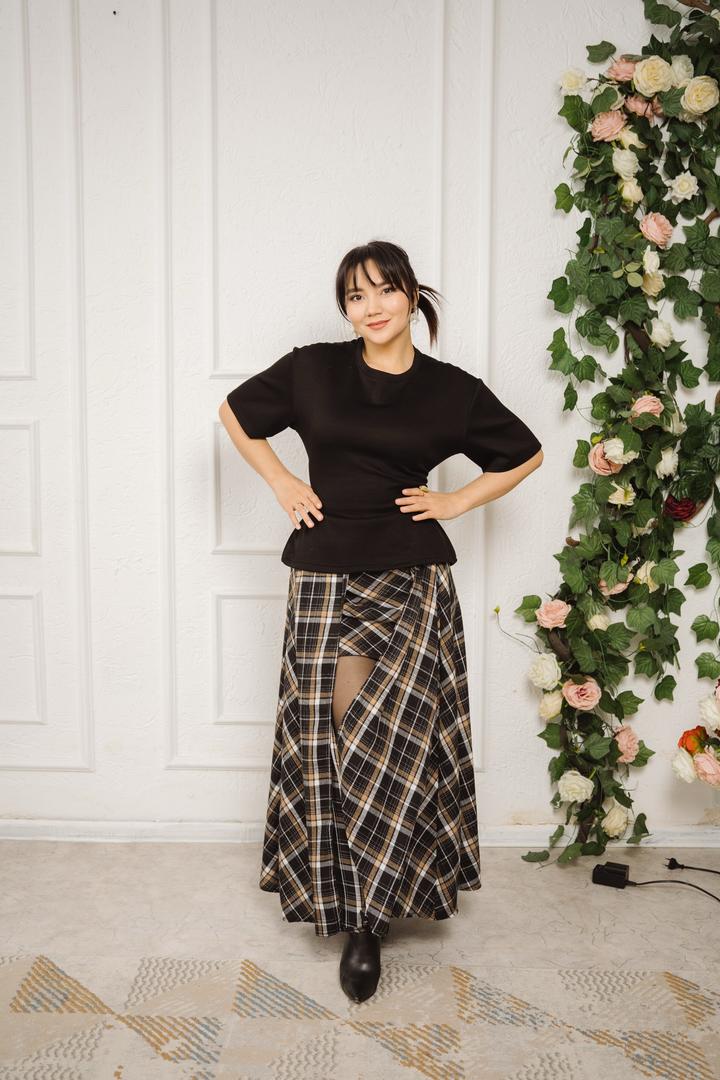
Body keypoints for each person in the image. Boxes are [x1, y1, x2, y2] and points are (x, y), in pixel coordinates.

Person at [218, 239, 543, 1004]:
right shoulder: (313, 370)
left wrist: (456, 501)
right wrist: (281, 480)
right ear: (346, 309)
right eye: (355, 296)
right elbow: (236, 413)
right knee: (341, 740)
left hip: (412, 579)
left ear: (412, 295)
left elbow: (523, 452)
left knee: (396, 744)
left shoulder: (450, 390)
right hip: (325, 575)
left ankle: (371, 916)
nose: (371, 307)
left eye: (384, 290)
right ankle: (354, 907)